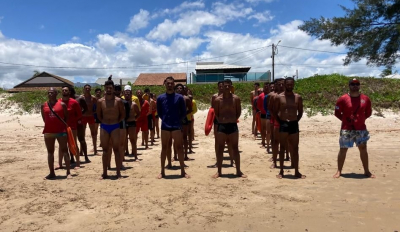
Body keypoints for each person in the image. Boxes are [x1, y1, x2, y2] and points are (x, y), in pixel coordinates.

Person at [333, 78, 375, 178]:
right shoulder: (343, 99)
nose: (355, 86)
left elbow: (368, 112)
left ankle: (367, 171)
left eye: (357, 84)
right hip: (346, 128)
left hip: (361, 129)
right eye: (352, 84)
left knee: (363, 148)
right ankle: (339, 171)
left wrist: (360, 120)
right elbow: (337, 112)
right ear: (349, 86)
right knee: (343, 149)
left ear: (359, 86)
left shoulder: (365, 99)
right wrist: (345, 120)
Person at [157, 76, 190, 179]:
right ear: (165, 84)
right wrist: (166, 120)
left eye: (171, 83)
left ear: (174, 84)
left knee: (179, 148)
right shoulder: (160, 98)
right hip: (165, 126)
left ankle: (183, 171)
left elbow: (183, 112)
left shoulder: (179, 98)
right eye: (168, 83)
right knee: (164, 148)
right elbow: (160, 112)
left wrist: (177, 120)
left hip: (176, 126)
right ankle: (162, 171)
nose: (170, 85)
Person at [213, 79, 246, 178]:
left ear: (231, 86)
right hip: (222, 126)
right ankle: (219, 171)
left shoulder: (236, 99)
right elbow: (217, 113)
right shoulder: (218, 100)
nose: (227, 87)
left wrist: (232, 119)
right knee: (220, 148)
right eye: (225, 86)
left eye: (229, 86)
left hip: (232, 125)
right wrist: (222, 121)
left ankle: (238, 171)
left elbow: (238, 112)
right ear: (222, 87)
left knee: (235, 148)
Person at [273, 77, 305, 179]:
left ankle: (296, 171)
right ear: (285, 84)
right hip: (283, 124)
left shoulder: (298, 97)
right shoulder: (279, 97)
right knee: (282, 148)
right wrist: (281, 121)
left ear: (293, 85)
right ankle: (281, 171)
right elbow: (274, 111)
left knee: (295, 148)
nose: (289, 86)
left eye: (291, 84)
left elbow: (300, 111)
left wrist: (295, 120)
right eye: (288, 84)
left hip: (294, 124)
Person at [97, 76, 125, 179]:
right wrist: (103, 121)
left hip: (115, 126)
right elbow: (99, 114)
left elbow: (122, 114)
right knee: (105, 150)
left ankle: (118, 173)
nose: (109, 90)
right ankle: (104, 173)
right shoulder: (100, 101)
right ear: (105, 88)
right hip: (104, 126)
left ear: (113, 89)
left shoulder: (118, 101)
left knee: (116, 150)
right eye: (107, 88)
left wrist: (116, 121)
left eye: (110, 88)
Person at [41, 87, 71, 179]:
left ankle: (68, 172)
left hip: (61, 131)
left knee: (65, 151)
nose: (50, 94)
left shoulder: (62, 104)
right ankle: (51, 172)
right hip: (48, 131)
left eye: (52, 93)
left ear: (56, 94)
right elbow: (44, 118)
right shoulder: (43, 105)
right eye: (49, 93)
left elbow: (66, 117)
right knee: (50, 152)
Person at [57, 86, 82, 169]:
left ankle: (78, 163)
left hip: (72, 127)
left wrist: (73, 121)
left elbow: (79, 114)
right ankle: (59, 164)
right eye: (63, 90)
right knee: (61, 145)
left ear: (69, 92)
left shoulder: (74, 102)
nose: (64, 91)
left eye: (66, 90)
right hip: (61, 127)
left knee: (73, 143)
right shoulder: (58, 102)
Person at [268, 78, 285, 168]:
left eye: (283, 84)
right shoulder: (273, 96)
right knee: (275, 141)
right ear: (276, 85)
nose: (281, 86)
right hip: (276, 121)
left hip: (287, 121)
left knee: (287, 142)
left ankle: (288, 158)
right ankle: (274, 161)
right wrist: (276, 118)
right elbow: (270, 108)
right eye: (279, 84)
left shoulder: (290, 96)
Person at [71, 88, 90, 163]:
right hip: (70, 122)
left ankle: (86, 156)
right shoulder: (65, 100)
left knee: (81, 139)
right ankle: (72, 157)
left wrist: (79, 115)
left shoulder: (79, 99)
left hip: (79, 121)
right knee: (71, 140)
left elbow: (86, 109)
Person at [81, 84, 99, 156]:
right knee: (82, 134)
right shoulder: (81, 98)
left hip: (91, 116)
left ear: (90, 89)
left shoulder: (93, 98)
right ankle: (81, 150)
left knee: (93, 134)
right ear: (84, 89)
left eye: (88, 88)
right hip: (83, 117)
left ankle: (95, 150)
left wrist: (94, 112)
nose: (87, 89)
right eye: (86, 88)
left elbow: (98, 107)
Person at [124, 86, 140, 160]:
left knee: (132, 139)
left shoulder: (133, 104)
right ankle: (124, 154)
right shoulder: (122, 103)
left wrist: (135, 119)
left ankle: (135, 156)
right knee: (124, 139)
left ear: (131, 95)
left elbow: (138, 113)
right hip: (124, 123)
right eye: (126, 94)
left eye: (128, 94)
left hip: (132, 123)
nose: (127, 95)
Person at [257, 82, 270, 148]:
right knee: (263, 128)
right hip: (263, 114)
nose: (266, 88)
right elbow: (258, 105)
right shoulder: (261, 96)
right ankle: (263, 141)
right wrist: (262, 110)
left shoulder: (272, 95)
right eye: (265, 86)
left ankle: (268, 141)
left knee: (269, 130)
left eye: (268, 86)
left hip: (270, 115)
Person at [263, 83, 272, 153]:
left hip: (276, 116)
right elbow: (265, 106)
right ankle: (268, 146)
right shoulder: (266, 97)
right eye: (270, 87)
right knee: (268, 131)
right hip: (269, 115)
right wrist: (268, 112)